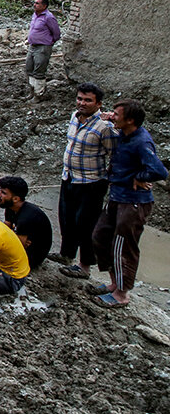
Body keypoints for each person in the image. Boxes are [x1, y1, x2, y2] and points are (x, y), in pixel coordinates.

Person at [89, 99, 166, 308]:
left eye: (116, 114)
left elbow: (159, 171)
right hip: (117, 196)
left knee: (123, 246)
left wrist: (140, 177)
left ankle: (122, 294)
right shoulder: (124, 133)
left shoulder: (141, 142)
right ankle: (115, 283)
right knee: (100, 236)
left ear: (130, 120)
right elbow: (112, 122)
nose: (112, 116)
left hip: (133, 202)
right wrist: (109, 118)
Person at [56, 83, 118, 279]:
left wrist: (110, 178)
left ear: (98, 104)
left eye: (88, 100)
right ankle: (66, 255)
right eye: (80, 98)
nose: (82, 103)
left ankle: (85, 266)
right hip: (69, 177)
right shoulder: (74, 117)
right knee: (66, 219)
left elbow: (115, 155)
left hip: (91, 183)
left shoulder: (105, 127)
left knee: (86, 224)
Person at [0, 176, 52, 272]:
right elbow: (4, 229)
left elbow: (18, 247)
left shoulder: (26, 218)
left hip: (31, 257)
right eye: (0, 191)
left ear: (16, 199)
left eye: (3, 193)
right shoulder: (11, 208)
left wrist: (9, 239)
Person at [24, 0, 61, 100]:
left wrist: (49, 42)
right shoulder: (35, 15)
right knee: (29, 68)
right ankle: (32, 92)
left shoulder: (49, 17)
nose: (34, 5)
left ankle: (39, 95)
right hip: (32, 46)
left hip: (43, 47)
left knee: (39, 71)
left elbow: (56, 33)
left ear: (44, 6)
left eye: (37, 3)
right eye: (34, 3)